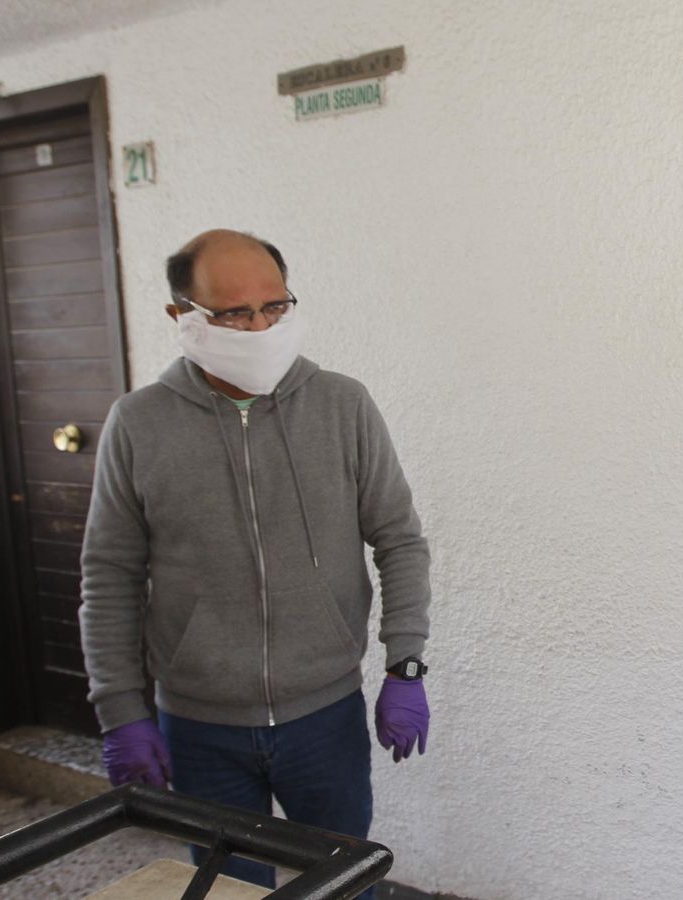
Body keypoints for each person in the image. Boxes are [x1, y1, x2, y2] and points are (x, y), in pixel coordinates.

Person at [79, 229, 432, 894]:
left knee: (340, 884)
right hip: (197, 726)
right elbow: (110, 577)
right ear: (181, 315)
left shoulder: (342, 405)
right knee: (225, 889)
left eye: (275, 306)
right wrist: (121, 709)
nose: (260, 326)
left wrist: (405, 663)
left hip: (323, 718)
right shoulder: (138, 424)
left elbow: (399, 539)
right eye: (235, 312)